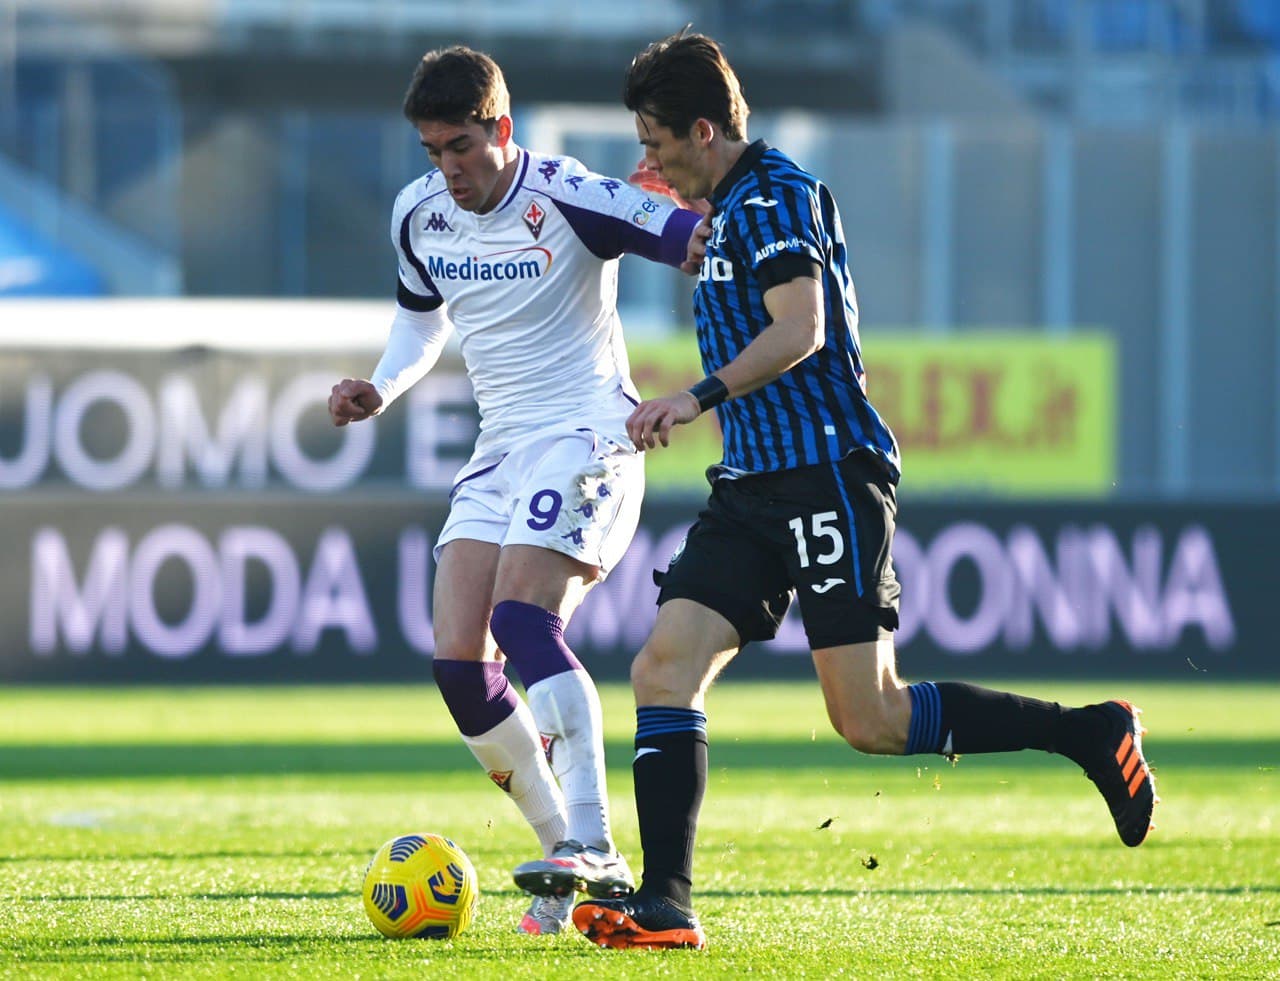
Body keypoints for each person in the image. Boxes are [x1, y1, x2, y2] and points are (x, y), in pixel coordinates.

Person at [572, 30, 1158, 951]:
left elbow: (799, 327)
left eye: (655, 140)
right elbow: (720, 249)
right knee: (662, 666)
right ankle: (668, 902)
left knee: (872, 718)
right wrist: (675, 200)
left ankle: (1090, 732)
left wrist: (693, 396)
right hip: (751, 487)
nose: (648, 159)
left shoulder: (773, 197)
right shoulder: (734, 199)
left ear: (701, 127)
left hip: (826, 476)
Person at [328, 45, 704, 936]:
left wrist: (696, 208)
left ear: (501, 128)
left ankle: (598, 841)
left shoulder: (569, 196)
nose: (446, 168)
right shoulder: (420, 215)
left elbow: (692, 242)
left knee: (523, 621)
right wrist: (382, 385)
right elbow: (420, 322)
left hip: (586, 434)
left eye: (460, 146)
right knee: (461, 665)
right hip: (502, 448)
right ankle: (559, 867)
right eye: (431, 150)